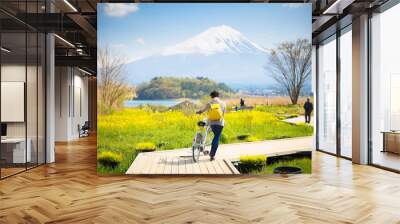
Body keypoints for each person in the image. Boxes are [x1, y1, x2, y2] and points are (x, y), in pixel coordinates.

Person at [196, 91, 226, 161]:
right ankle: (212, 155)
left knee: (206, 131)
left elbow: (202, 110)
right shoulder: (223, 103)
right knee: (216, 137)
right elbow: (223, 113)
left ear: (211, 96)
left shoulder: (210, 103)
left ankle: (201, 144)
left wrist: (199, 112)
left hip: (211, 123)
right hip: (220, 123)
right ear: (218, 96)